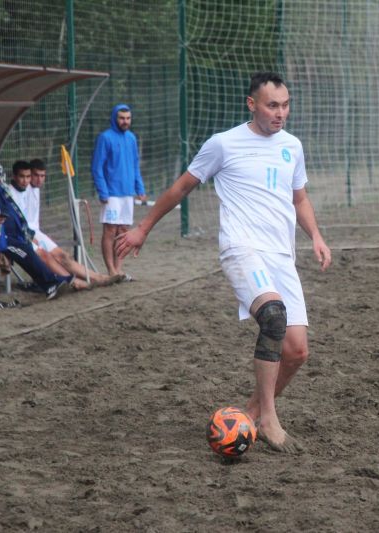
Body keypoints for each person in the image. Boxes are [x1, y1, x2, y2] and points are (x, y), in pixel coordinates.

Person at [116, 72, 332, 453]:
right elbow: (182, 186)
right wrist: (143, 229)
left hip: (281, 256)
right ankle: (268, 419)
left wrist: (315, 235)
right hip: (241, 248)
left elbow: (299, 198)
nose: (280, 113)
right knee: (274, 317)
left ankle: (247, 417)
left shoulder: (292, 146)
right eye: (272, 105)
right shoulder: (223, 144)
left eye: (285, 105)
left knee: (297, 351)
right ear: (252, 104)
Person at [0, 153, 72, 300]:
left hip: (14, 234)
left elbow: (16, 213)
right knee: (25, 252)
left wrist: (27, 232)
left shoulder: (2, 188)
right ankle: (51, 284)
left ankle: (53, 282)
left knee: (28, 249)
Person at [9, 159, 120, 289]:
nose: (38, 180)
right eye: (35, 175)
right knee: (47, 256)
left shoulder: (34, 189)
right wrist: (32, 236)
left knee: (63, 256)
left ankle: (97, 278)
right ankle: (73, 281)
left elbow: (31, 221)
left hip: (33, 232)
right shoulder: (16, 191)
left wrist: (38, 235)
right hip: (23, 235)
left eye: (42, 176)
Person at [91, 103, 146, 278]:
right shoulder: (105, 138)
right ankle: (111, 270)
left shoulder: (131, 138)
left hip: (128, 193)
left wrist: (140, 188)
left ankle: (119, 269)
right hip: (111, 194)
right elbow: (97, 167)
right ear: (115, 118)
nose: (125, 121)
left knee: (123, 231)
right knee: (110, 230)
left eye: (128, 118)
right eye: (122, 118)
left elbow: (135, 165)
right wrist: (103, 191)